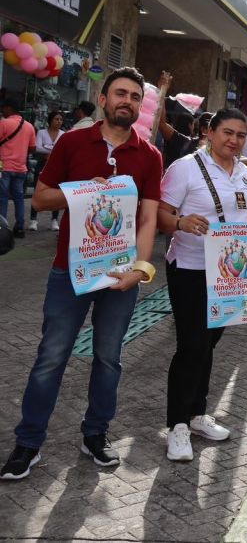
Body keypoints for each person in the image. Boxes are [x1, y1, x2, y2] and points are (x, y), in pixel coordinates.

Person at [0, 67, 162, 480]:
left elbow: (148, 219)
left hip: (120, 278)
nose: (127, 101)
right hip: (69, 274)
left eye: (134, 96)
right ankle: (29, 442)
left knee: (109, 359)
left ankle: (95, 435)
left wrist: (140, 270)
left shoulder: (149, 155)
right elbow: (39, 200)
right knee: (51, 357)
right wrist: (82, 191)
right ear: (104, 98)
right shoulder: (73, 142)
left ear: (139, 106)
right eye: (119, 93)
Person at [157, 108, 247, 461]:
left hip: (230, 274)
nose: (234, 140)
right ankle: (176, 425)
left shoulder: (243, 173)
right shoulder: (185, 168)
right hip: (190, 268)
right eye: (228, 132)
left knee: (209, 343)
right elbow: (159, 214)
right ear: (210, 131)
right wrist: (179, 223)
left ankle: (197, 414)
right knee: (191, 345)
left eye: (241, 134)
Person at [0, 99, 37, 238]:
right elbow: (33, 148)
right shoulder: (29, 126)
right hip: (21, 168)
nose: (3, 112)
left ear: (9, 108)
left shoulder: (3, 123)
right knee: (19, 198)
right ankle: (19, 227)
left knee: (2, 198)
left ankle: (2, 228)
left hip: (3, 166)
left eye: (4, 108)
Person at [28, 111, 63, 231]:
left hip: (57, 165)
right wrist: (53, 151)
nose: (58, 122)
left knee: (57, 191)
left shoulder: (63, 134)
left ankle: (54, 220)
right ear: (50, 120)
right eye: (56, 119)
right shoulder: (42, 132)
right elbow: (37, 147)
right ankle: (33, 219)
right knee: (37, 190)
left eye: (60, 120)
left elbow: (63, 150)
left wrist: (48, 150)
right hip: (42, 164)